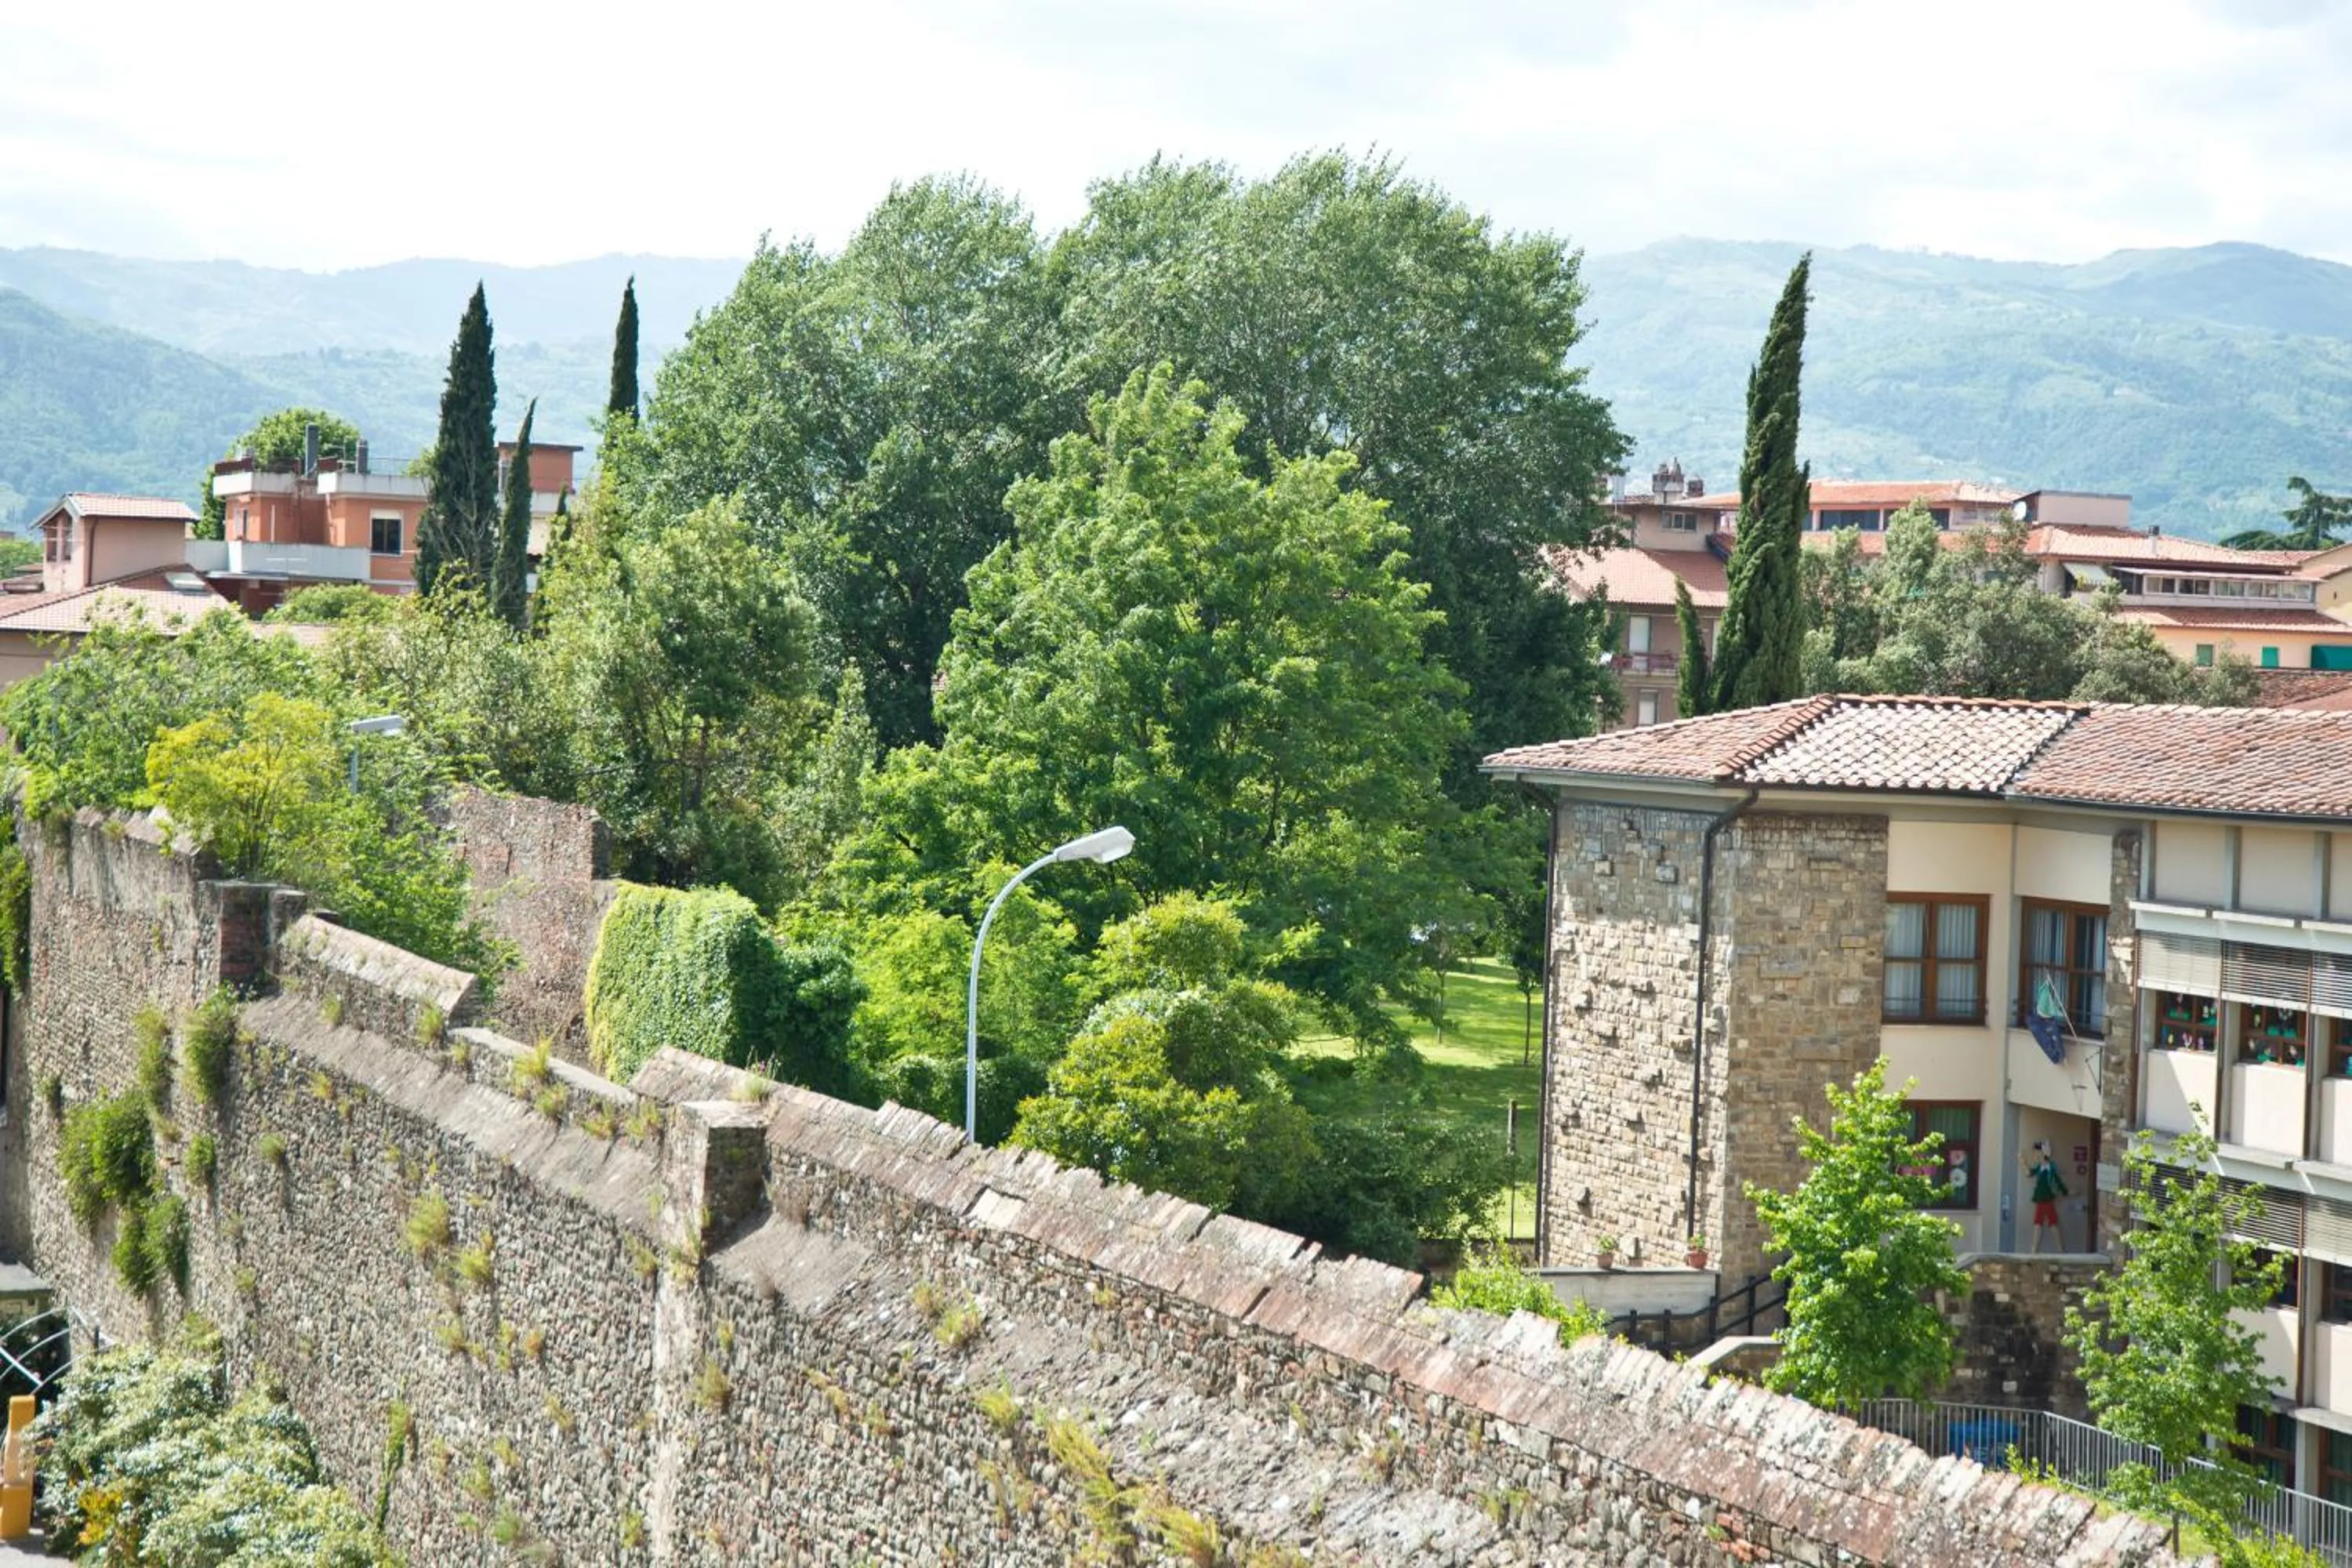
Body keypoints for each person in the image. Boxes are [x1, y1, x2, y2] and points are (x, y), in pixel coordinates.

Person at [2026, 1142, 2068, 1253]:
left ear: (2043, 1153)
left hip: (2047, 1200)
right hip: (2041, 1200)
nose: (2035, 1156)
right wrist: (2022, 1162)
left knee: (2049, 1224)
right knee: (2041, 1224)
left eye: (2037, 1153)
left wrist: (2065, 1191)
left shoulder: (2050, 1169)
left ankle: (2059, 1250)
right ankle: (2035, 1250)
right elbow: (2029, 1173)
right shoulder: (2040, 1168)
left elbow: (2058, 1182)